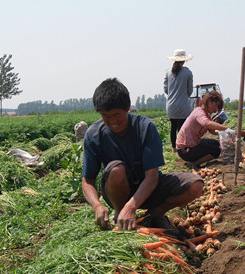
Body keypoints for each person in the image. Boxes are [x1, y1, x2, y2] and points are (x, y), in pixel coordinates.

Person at [81, 78, 204, 237]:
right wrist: (97, 205)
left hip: (149, 188)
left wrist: (132, 207)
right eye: (106, 116)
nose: (112, 122)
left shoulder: (144, 127)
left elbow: (151, 177)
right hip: (118, 191)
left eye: (116, 115)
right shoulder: (93, 134)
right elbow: (87, 181)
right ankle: (120, 215)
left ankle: (155, 214)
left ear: (128, 107)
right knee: (116, 169)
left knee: (196, 185)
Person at [176, 90, 230, 168]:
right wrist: (225, 128)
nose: (215, 109)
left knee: (216, 144)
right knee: (216, 151)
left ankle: (194, 162)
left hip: (193, 144)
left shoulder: (207, 115)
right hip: (185, 150)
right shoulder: (199, 112)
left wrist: (223, 134)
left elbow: (212, 131)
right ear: (208, 101)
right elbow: (206, 123)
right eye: (215, 105)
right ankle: (195, 163)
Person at [163, 49, 194, 153]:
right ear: (184, 60)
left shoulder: (168, 72)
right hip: (183, 106)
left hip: (171, 106)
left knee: (173, 127)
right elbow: (190, 91)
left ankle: (173, 149)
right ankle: (181, 148)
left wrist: (173, 95)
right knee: (182, 128)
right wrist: (183, 96)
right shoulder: (187, 72)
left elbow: (165, 89)